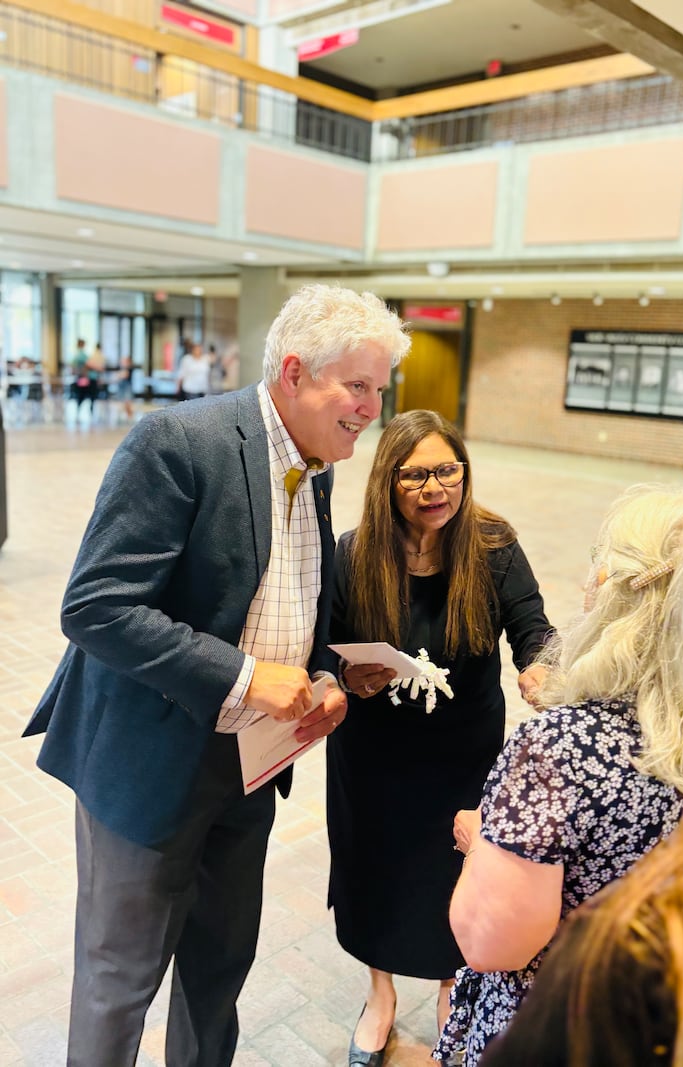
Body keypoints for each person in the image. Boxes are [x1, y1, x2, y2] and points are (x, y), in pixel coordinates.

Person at [23, 285, 410, 1067]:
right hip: (149, 761)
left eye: (380, 388)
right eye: (359, 386)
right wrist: (243, 677)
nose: (374, 407)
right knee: (121, 975)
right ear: (296, 373)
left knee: (218, 966)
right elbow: (96, 606)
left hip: (248, 766)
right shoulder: (179, 441)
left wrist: (326, 670)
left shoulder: (318, 462)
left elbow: (290, 598)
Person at [433, 486, 683, 1066]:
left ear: (614, 591)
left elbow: (491, 943)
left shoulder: (561, 746)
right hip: (680, 1018)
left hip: (563, 1027)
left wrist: (484, 843)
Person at [327, 409, 554, 1067]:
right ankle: (380, 994)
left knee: (453, 872)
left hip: (463, 752)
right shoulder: (354, 551)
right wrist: (347, 675)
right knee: (376, 870)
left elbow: (533, 627)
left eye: (447, 469)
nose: (435, 487)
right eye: (416, 474)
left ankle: (452, 985)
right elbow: (329, 644)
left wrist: (539, 666)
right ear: (387, 482)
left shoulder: (493, 545)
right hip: (373, 754)